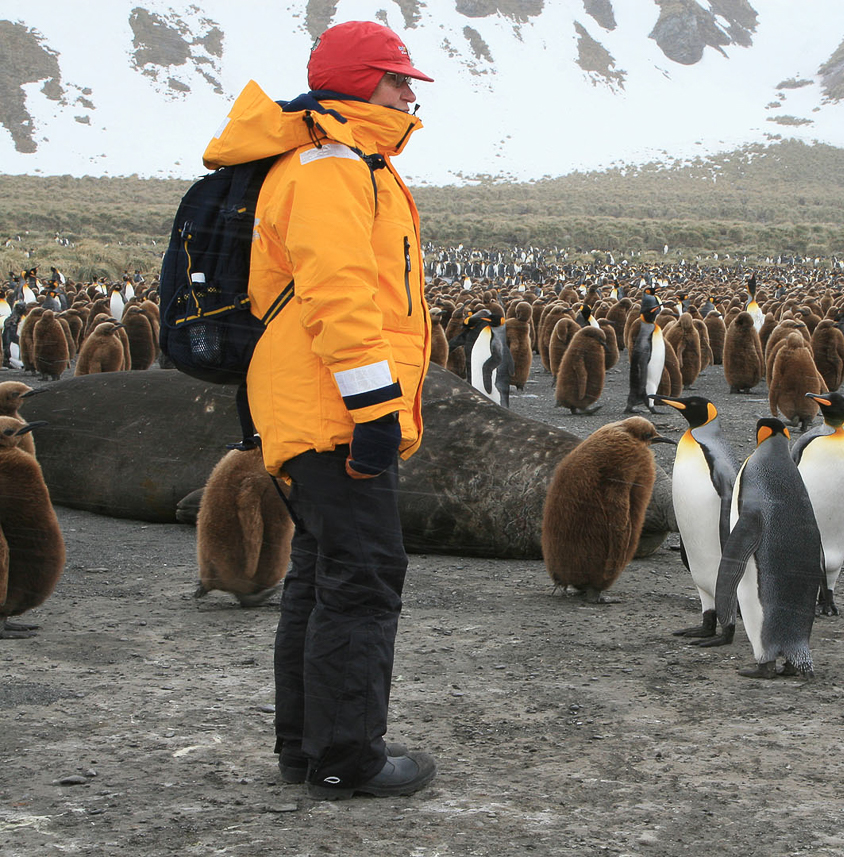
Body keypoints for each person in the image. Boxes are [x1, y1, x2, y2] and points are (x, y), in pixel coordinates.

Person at [202, 20, 436, 800]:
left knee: (322, 571)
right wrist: (375, 413)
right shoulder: (333, 166)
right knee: (365, 575)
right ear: (362, 82)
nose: (409, 94)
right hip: (332, 406)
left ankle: (308, 749)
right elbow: (340, 295)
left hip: (310, 404)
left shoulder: (334, 159)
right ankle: (345, 757)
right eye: (398, 80)